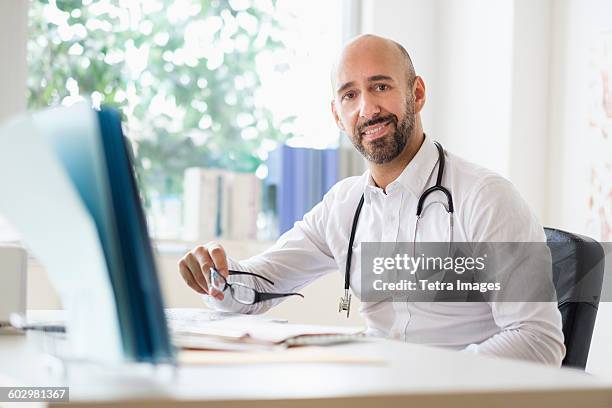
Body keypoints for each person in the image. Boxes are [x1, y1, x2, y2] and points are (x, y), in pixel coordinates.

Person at [178, 34, 565, 365]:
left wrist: (431, 382)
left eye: (381, 86)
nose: (368, 109)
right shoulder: (344, 205)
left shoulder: (484, 197)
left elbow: (539, 340)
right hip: (376, 385)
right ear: (336, 114)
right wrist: (217, 275)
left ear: (417, 93)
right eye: (350, 95)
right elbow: (257, 287)